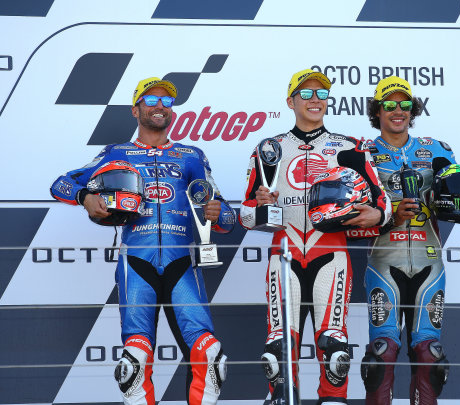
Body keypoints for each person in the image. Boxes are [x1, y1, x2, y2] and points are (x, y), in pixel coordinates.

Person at [50, 77, 236, 405]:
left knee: (210, 357)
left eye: (167, 101)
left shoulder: (191, 155)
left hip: (183, 263)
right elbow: (62, 184)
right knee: (134, 360)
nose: (160, 106)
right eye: (151, 101)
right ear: (136, 110)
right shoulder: (116, 152)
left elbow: (227, 220)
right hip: (136, 262)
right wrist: (85, 197)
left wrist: (216, 212)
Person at [240, 68, 392, 405]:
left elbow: (383, 205)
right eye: (306, 94)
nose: (315, 100)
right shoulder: (270, 149)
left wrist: (377, 215)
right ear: (291, 101)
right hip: (285, 255)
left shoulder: (351, 148)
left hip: (331, 254)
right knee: (277, 352)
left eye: (321, 94)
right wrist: (261, 206)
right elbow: (246, 215)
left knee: (336, 352)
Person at [359, 76, 460, 405]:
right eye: (389, 104)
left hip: (429, 263)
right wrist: (391, 214)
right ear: (377, 110)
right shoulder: (362, 153)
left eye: (405, 104)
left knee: (430, 357)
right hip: (383, 264)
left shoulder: (436, 150)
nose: (398, 110)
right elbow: (348, 215)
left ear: (413, 110)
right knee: (380, 356)